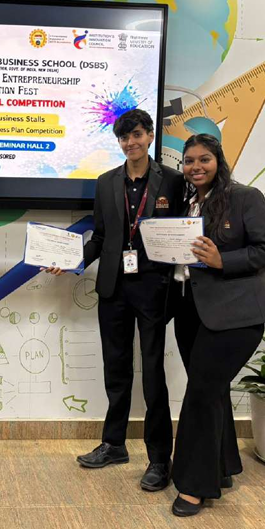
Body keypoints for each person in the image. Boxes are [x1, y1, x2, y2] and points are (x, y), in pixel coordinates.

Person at [50, 108, 185, 491]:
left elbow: (181, 231)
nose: (131, 143)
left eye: (137, 135)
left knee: (153, 374)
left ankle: (159, 459)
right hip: (113, 289)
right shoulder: (106, 182)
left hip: (154, 288)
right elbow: (99, 237)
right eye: (124, 137)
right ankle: (114, 444)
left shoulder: (173, 181)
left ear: (150, 136)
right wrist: (73, 259)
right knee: (116, 371)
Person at [170, 133, 265, 516]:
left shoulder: (245, 197)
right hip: (191, 311)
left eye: (204, 159)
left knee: (201, 394)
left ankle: (194, 486)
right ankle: (222, 467)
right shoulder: (186, 203)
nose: (196, 167)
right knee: (212, 392)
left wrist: (222, 261)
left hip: (235, 316)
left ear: (219, 160)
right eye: (189, 161)